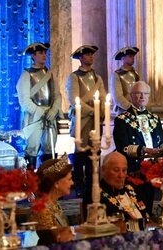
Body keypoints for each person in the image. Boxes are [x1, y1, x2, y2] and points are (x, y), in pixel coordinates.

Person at [113, 81, 163, 214]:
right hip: (134, 171)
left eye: (146, 94)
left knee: (151, 208)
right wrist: (143, 150)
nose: (142, 96)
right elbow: (122, 148)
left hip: (153, 171)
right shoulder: (122, 120)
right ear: (131, 96)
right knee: (136, 210)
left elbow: (161, 142)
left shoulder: (155, 118)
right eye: (138, 93)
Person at [66, 45, 106, 197]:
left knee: (94, 153)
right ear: (81, 58)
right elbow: (74, 99)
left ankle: (93, 184)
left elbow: (102, 97)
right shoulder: (74, 77)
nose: (91, 57)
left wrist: (101, 112)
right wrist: (92, 111)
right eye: (87, 55)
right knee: (81, 153)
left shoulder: (97, 78)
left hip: (95, 120)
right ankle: (79, 185)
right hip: (82, 120)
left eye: (91, 54)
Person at [16, 42, 63, 170]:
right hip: (34, 118)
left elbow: (57, 95)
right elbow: (24, 100)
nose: (44, 55)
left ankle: (47, 180)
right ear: (33, 56)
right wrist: (39, 112)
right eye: (41, 53)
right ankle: (30, 181)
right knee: (32, 148)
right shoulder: (26, 75)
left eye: (45, 53)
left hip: (50, 116)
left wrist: (53, 110)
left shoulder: (50, 74)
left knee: (50, 148)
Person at [83, 152, 149, 231]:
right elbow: (97, 229)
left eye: (124, 170)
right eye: (116, 170)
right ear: (103, 170)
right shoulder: (94, 195)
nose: (121, 175)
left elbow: (147, 216)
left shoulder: (132, 187)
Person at [29, 154, 74, 230]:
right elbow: (51, 240)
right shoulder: (43, 211)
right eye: (69, 179)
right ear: (56, 183)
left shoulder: (53, 204)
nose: (72, 183)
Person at [110, 46, 140, 115]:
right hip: (123, 111)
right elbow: (117, 97)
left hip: (136, 110)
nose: (132, 58)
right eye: (130, 56)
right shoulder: (117, 74)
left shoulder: (136, 74)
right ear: (123, 58)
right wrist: (131, 108)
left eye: (133, 56)